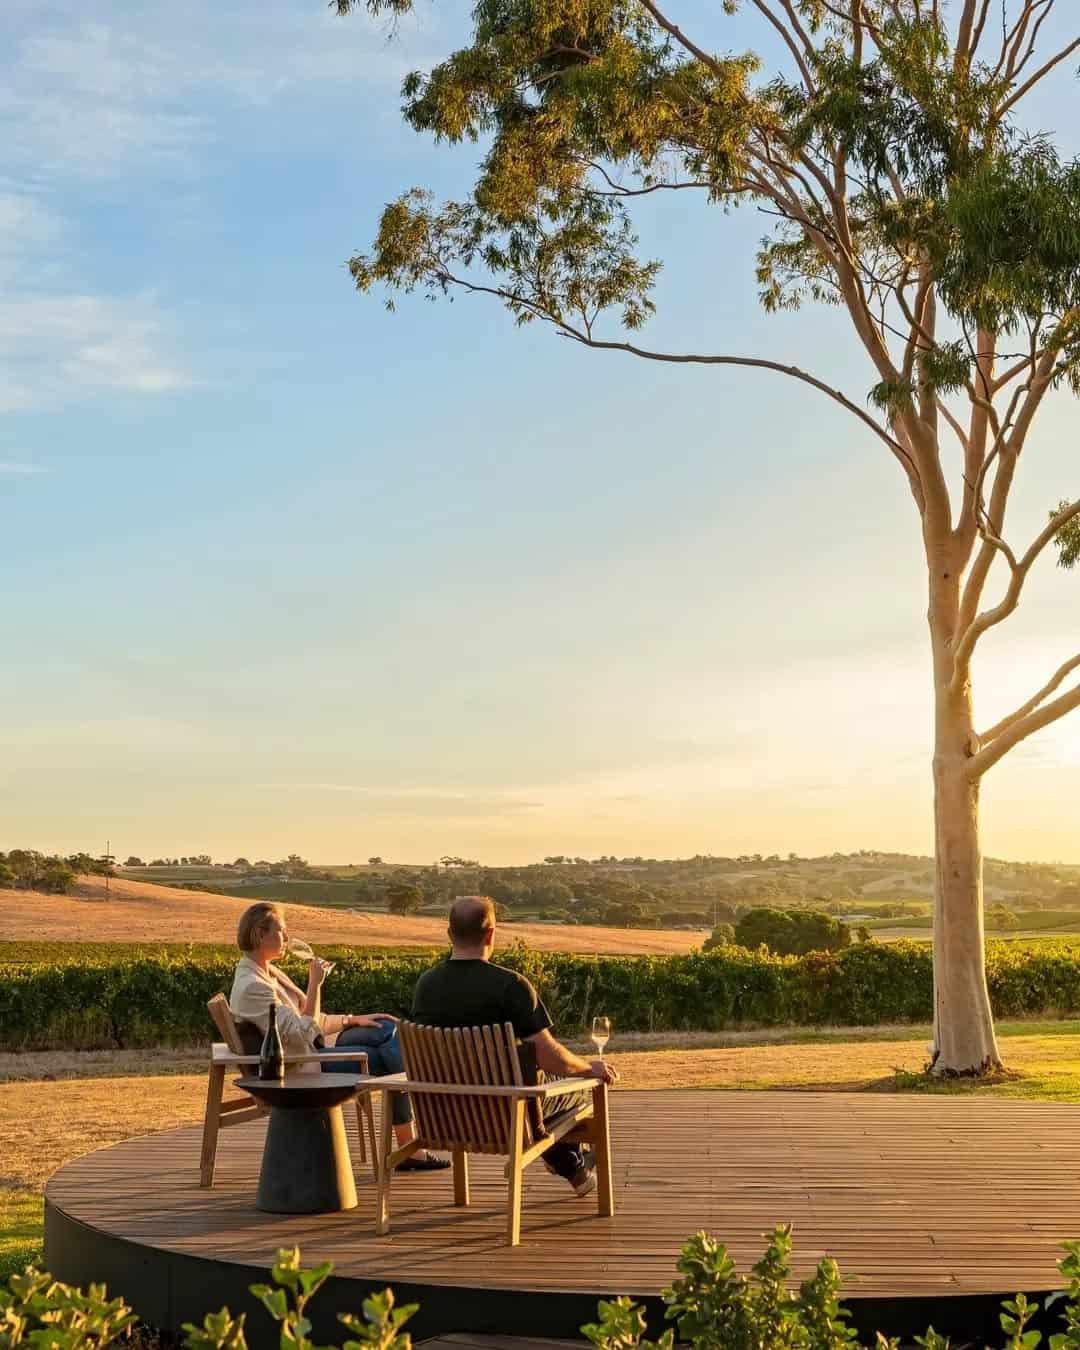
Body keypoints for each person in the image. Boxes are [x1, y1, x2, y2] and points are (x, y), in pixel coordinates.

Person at [412, 894, 618, 1196]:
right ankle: (569, 1161)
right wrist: (590, 1068)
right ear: (491, 933)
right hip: (508, 1115)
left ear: (449, 934)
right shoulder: (512, 986)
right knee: (580, 1086)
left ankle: (571, 1164)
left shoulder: (425, 985)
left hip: (443, 1116)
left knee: (534, 1086)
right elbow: (550, 1058)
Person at [229, 901, 448, 1171]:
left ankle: (411, 1137)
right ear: (261, 934)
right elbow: (303, 1031)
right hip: (301, 1066)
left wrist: (351, 1020)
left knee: (384, 1026)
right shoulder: (253, 986)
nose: (287, 938)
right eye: (282, 931)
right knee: (382, 1058)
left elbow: (310, 1022)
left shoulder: (267, 972)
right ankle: (414, 1135)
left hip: (312, 1049)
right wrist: (314, 984)